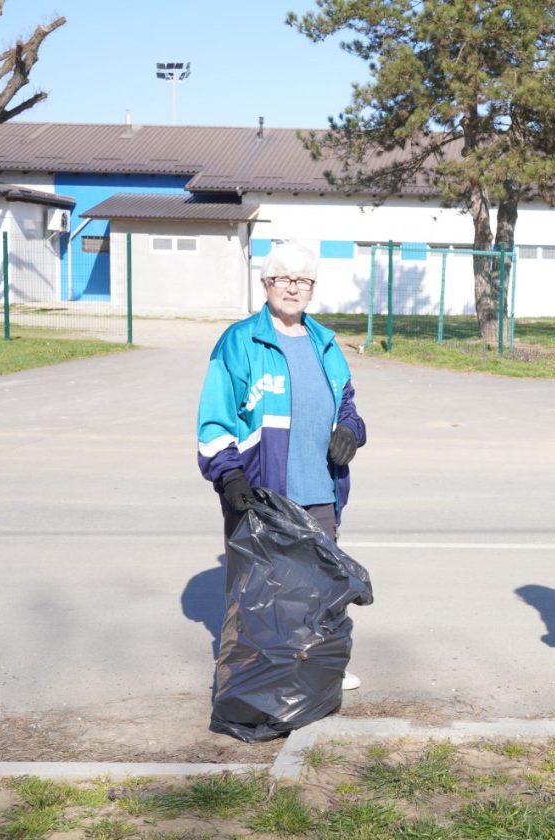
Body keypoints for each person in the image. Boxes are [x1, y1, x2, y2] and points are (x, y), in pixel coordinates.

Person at [197, 240, 367, 690]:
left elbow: (347, 404)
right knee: (259, 589)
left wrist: (350, 430)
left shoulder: (324, 343)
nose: (293, 288)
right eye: (283, 279)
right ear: (265, 283)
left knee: (320, 585)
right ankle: (252, 677)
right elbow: (215, 417)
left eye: (302, 280)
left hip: (321, 490)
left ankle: (319, 668)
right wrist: (229, 473)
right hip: (262, 490)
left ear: (312, 288)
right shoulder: (240, 342)